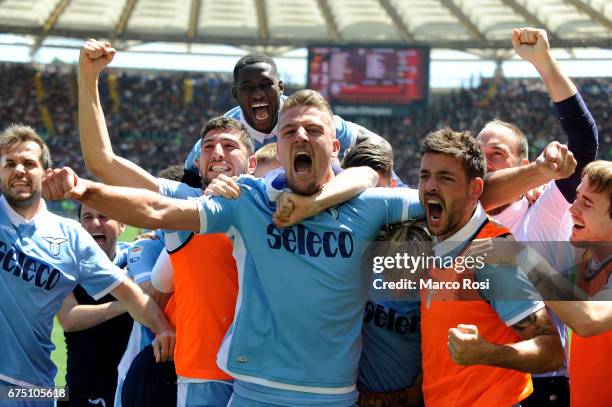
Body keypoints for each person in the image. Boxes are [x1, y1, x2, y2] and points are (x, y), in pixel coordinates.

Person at [45, 88, 575, 406]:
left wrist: (538, 172)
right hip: (250, 390)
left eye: (312, 129)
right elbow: (159, 211)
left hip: (332, 397)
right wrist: (82, 191)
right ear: (275, 146)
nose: (300, 136)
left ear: (335, 145)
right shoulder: (249, 200)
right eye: (289, 129)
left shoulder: (377, 207)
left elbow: (457, 192)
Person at [0, 124, 175, 407]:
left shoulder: (70, 236)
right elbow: (69, 318)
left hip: (36, 389)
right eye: (10, 163)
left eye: (28, 163)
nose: (19, 169)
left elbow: (129, 293)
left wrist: (164, 328)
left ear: (45, 173)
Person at [477, 27, 598, 405]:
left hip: (538, 385)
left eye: (495, 153)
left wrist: (542, 61)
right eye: (476, 152)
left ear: (523, 164)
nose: (482, 162)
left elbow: (583, 141)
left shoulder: (542, 214)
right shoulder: (458, 216)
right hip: (473, 380)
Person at [417, 128, 562, 406]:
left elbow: (551, 351)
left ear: (476, 189)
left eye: (445, 177)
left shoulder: (493, 255)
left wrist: (488, 353)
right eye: (425, 175)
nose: (430, 186)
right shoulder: (435, 238)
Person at [57, 204, 133, 407]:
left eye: (104, 216)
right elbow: (68, 319)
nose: (95, 223)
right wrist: (128, 303)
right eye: (87, 217)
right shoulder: (67, 268)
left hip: (129, 393)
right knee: (11, 394)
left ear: (122, 225)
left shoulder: (137, 261)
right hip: (79, 396)